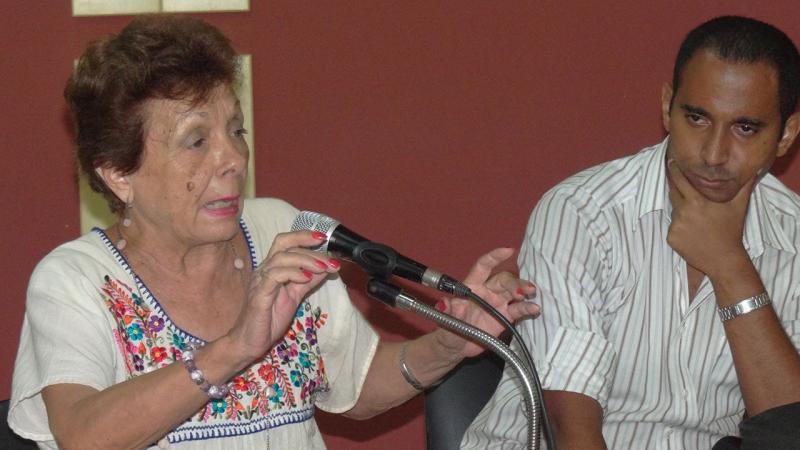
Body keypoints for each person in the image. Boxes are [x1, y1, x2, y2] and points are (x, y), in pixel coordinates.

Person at [8, 15, 540, 449]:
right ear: (119, 173)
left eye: (235, 131)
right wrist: (236, 347)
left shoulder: (280, 230)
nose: (233, 158)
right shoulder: (76, 280)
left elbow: (356, 386)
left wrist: (449, 343)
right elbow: (80, 433)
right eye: (197, 141)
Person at [463, 15, 800, 449]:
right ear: (666, 107)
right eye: (697, 118)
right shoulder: (581, 214)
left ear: (786, 134)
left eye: (745, 128)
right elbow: (571, 431)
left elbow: (789, 432)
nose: (715, 154)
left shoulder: (792, 235)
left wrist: (731, 266)